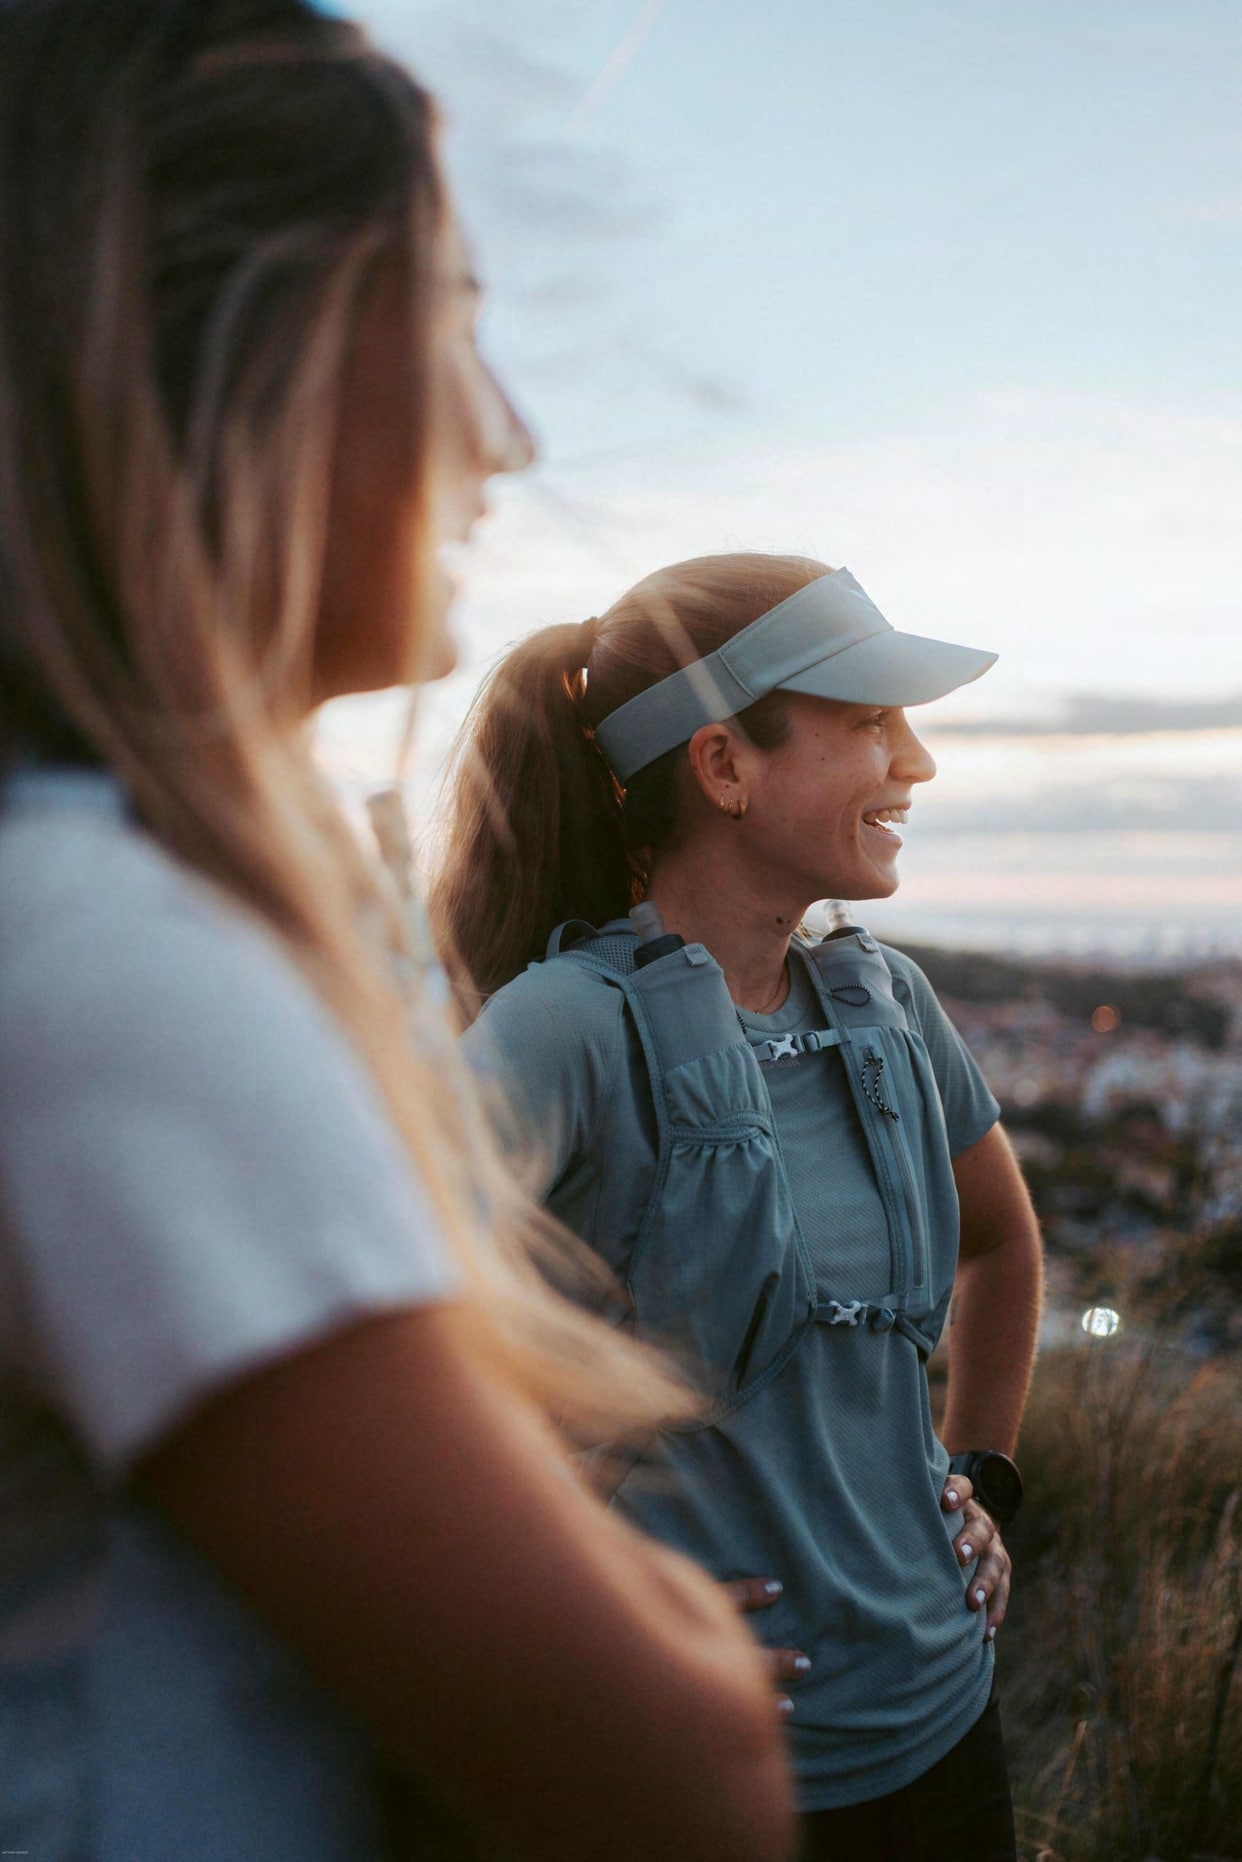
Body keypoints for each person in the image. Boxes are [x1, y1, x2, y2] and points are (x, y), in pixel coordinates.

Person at [0, 5, 797, 1857]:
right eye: (447, 314)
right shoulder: (105, 964)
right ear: (221, 344)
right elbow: (680, 1777)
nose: (502, 432)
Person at [433, 552, 1044, 1860]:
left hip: (943, 1726)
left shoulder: (889, 1007)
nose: (915, 764)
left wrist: (978, 1470)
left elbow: (998, 1240)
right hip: (687, 1776)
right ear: (722, 766)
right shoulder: (563, 1031)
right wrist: (565, 1608)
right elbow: (392, 1347)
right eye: (870, 723)